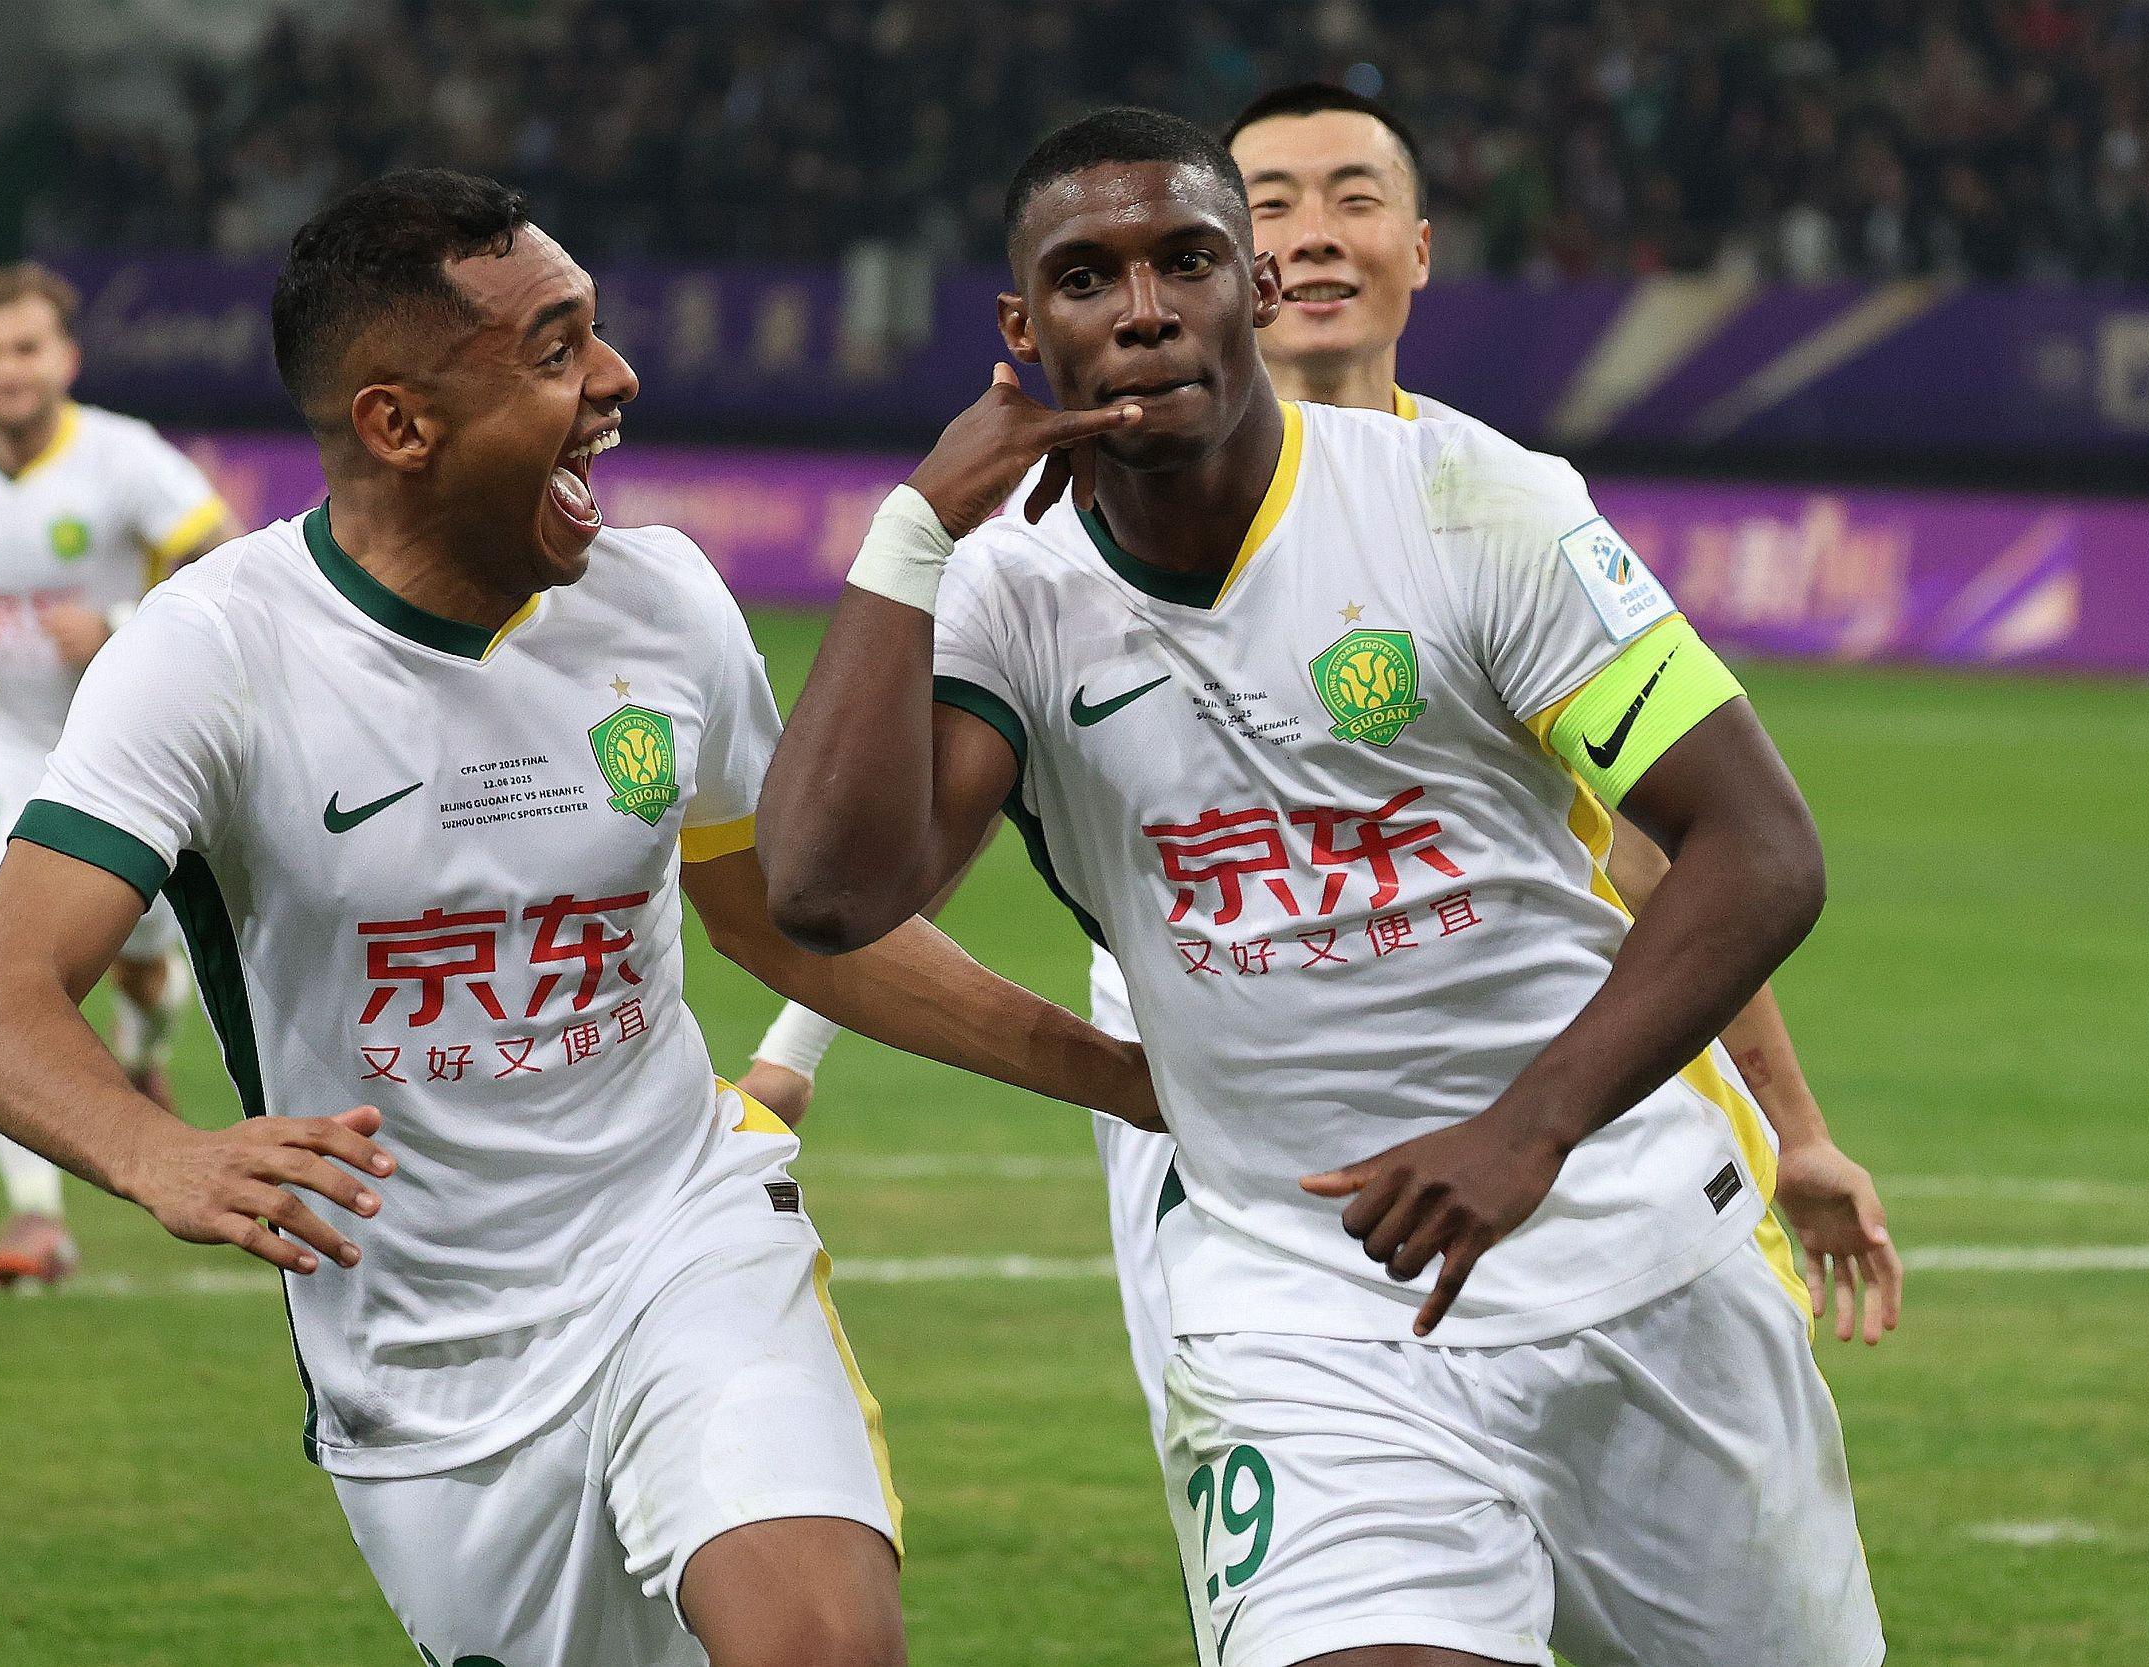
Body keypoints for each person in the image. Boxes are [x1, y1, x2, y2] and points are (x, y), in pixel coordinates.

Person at [0, 169, 1157, 1667]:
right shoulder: (212, 655)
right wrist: (160, 1152)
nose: (617, 378)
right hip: (421, 1361)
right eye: (557, 348)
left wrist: (1125, 1078)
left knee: (823, 1642)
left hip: (682, 1238)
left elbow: (784, 922)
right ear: (399, 424)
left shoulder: (663, 601)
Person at [758, 110, 1882, 1667]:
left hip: (1633, 1262)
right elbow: (826, 893)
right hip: (1301, 1310)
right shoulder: (1008, 589)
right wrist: (911, 532)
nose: (1142, 310)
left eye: (1187, 262)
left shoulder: (1470, 501)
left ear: (1259, 291)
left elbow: (1759, 847)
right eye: (1086, 279)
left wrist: (1528, 1127)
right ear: (1023, 332)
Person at [0, 261, 238, 1286]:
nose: (8, 369)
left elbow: (225, 556)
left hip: (126, 752)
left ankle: (144, 1050)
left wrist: (121, 623)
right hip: (6, 750)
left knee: (141, 968)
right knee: (9, 968)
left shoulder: (124, 459)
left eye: (26, 348)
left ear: (66, 358)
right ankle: (37, 1216)